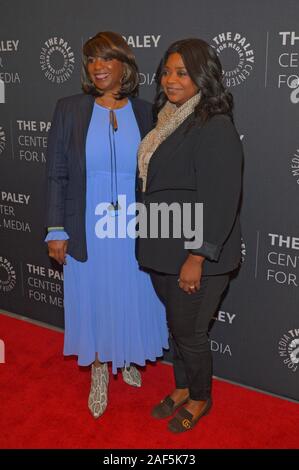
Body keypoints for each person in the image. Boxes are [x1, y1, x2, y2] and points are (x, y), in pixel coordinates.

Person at [45, 31, 168, 419]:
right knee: (94, 295)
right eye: (92, 59)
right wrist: (56, 229)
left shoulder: (147, 112)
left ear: (124, 65)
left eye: (106, 59)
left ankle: (126, 355)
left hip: (132, 225)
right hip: (86, 224)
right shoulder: (69, 109)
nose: (98, 67)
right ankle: (100, 368)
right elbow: (56, 174)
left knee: (131, 293)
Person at [137, 38, 243, 433]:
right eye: (166, 71)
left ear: (202, 76)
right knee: (176, 328)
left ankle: (200, 396)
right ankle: (182, 387)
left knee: (190, 332)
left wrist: (197, 256)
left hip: (197, 257)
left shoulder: (214, 127)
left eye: (182, 72)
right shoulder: (166, 122)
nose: (170, 79)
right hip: (164, 249)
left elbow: (221, 200)